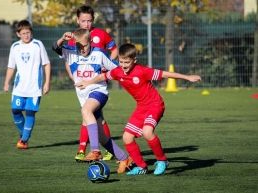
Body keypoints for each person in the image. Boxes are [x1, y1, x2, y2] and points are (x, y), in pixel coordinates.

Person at [75, 43, 201, 175]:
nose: (123, 65)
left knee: (147, 131)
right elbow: (103, 76)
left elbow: (165, 74)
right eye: (121, 61)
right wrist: (87, 82)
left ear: (134, 61)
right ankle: (141, 166)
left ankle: (162, 160)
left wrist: (187, 77)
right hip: (141, 107)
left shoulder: (142, 71)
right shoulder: (118, 72)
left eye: (127, 62)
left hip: (155, 105)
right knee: (127, 137)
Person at [62, 28, 132, 174]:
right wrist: (63, 38)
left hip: (99, 92)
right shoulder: (71, 53)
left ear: (90, 43)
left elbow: (115, 70)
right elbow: (55, 47)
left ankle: (95, 151)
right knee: (101, 136)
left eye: (85, 46)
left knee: (86, 111)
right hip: (84, 97)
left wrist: (129, 78)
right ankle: (124, 158)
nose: (82, 49)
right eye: (79, 46)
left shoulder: (99, 54)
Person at [52, 5, 117, 161]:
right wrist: (74, 76)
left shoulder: (101, 35)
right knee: (96, 119)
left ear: (93, 20)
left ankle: (88, 150)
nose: (86, 24)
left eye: (89, 21)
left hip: (97, 85)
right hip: (81, 85)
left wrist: (105, 69)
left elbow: (114, 50)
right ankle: (121, 156)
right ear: (77, 20)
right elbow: (60, 52)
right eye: (83, 21)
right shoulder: (74, 37)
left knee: (87, 113)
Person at [3, 20, 51, 149]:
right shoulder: (15, 47)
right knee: (15, 111)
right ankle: (23, 133)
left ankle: (24, 140)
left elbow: (46, 64)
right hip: (19, 88)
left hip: (34, 88)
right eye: (23, 33)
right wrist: (7, 82)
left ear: (31, 33)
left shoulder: (38, 45)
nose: (26, 35)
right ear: (18, 34)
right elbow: (11, 67)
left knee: (30, 113)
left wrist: (47, 83)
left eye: (28, 33)